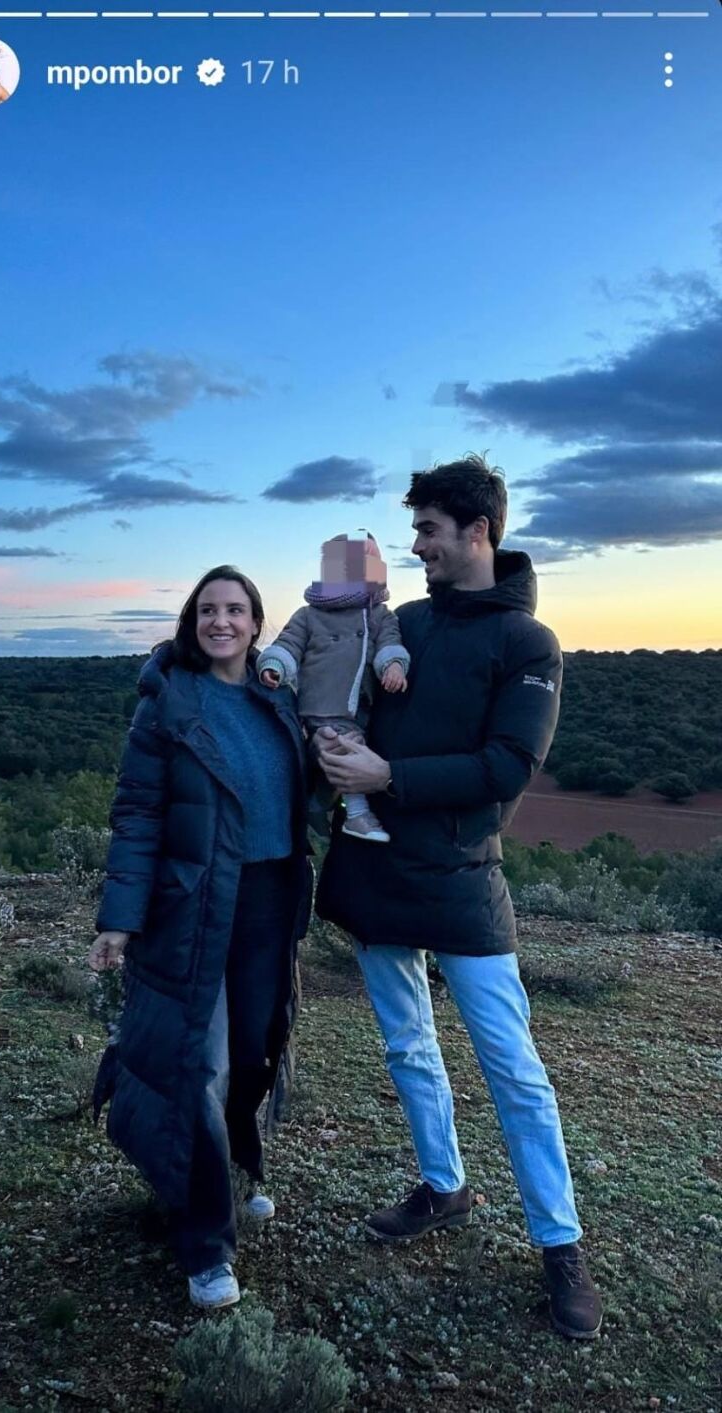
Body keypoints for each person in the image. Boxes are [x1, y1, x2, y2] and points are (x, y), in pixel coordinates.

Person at [314, 455, 603, 1341]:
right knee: (408, 1046)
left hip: (464, 876)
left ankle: (560, 1243)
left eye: (429, 531)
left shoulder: (529, 645)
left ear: (477, 532)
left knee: (513, 1068)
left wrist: (387, 773)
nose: (417, 547)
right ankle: (444, 1185)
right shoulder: (404, 621)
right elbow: (337, 684)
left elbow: (506, 772)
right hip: (377, 867)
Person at [89, 566, 313, 1311]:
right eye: (209, 609)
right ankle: (205, 1243)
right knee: (200, 1066)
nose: (222, 621)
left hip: (270, 897)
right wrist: (120, 917)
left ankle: (236, 1167)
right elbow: (139, 813)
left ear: (256, 622)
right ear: (193, 620)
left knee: (254, 1050)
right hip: (191, 903)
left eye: (237, 609)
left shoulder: (276, 697)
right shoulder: (169, 702)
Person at [256, 530, 409, 842]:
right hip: (317, 704)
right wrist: (275, 665)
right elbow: (288, 643)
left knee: (338, 754)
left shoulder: (379, 616)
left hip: (356, 707)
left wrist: (393, 665)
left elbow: (390, 643)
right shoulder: (308, 615)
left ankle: (317, 804)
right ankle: (357, 815)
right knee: (346, 749)